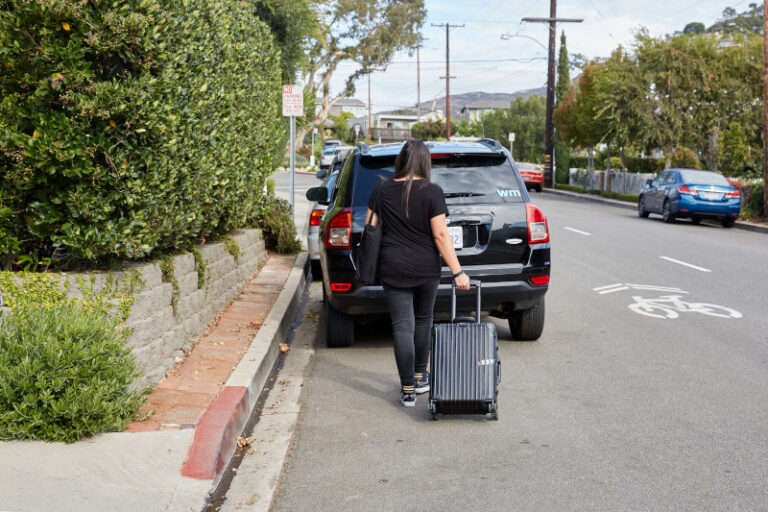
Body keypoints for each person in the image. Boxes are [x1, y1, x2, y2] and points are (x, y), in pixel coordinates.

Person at [366, 139, 470, 408]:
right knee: (423, 320)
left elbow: (370, 226)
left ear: (401, 160)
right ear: (426, 162)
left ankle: (408, 389)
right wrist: (457, 271)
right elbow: (440, 234)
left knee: (402, 325)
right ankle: (420, 376)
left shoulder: (382, 188)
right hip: (426, 268)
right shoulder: (432, 191)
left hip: (392, 266)